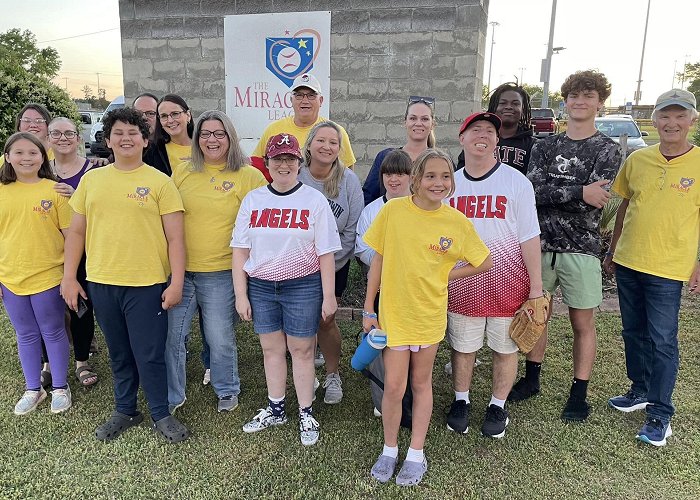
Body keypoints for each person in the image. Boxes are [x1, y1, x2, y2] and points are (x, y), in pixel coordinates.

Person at [362, 149, 492, 486]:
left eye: (445, 176)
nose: (438, 182)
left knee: (421, 384)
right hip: (394, 315)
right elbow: (377, 260)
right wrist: (368, 309)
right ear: (415, 179)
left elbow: (483, 262)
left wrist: (447, 273)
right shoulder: (393, 211)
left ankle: (415, 453)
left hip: (429, 316)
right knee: (394, 385)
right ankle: (390, 448)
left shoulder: (456, 221)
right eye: (430, 176)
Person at [61, 107, 190, 443]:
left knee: (149, 351)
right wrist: (69, 277)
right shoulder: (92, 180)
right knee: (118, 350)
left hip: (146, 284)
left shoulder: (160, 182)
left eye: (134, 133)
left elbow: (176, 237)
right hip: (102, 282)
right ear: (107, 139)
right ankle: (125, 409)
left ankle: (161, 413)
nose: (126, 138)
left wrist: (176, 282)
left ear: (145, 141)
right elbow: (76, 233)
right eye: (118, 132)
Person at [511, 70, 623, 423]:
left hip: (582, 248)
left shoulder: (607, 149)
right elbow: (532, 194)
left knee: (582, 322)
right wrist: (579, 191)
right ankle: (531, 379)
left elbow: (596, 200)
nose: (579, 101)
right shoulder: (545, 146)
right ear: (566, 100)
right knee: (536, 316)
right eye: (574, 95)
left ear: (599, 102)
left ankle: (579, 392)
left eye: (588, 95)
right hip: (540, 245)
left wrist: (572, 197)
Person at [232, 133, 341, 447]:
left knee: (303, 350)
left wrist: (329, 295)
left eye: (290, 158)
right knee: (271, 350)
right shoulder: (253, 200)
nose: (283, 164)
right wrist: (241, 294)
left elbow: (326, 252)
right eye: (277, 158)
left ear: (299, 163)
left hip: (302, 285)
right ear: (267, 163)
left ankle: (306, 411)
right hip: (263, 286)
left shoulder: (313, 200)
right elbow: (240, 249)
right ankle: (276, 406)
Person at [604, 88, 700, 446]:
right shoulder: (639, 160)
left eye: (680, 116)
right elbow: (625, 206)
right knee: (633, 331)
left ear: (692, 120)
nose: (671, 123)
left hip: (669, 267)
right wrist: (613, 250)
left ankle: (660, 413)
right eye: (665, 115)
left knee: (662, 341)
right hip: (630, 260)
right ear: (655, 120)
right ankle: (639, 389)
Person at [444, 112, 542, 439]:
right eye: (475, 129)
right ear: (462, 139)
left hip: (509, 283)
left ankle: (498, 405)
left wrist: (536, 289)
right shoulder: (450, 185)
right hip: (461, 285)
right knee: (463, 346)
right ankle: (461, 400)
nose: (482, 135)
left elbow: (529, 237)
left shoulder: (517, 182)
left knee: (505, 348)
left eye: (489, 130)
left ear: (497, 140)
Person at [167, 110, 267, 414]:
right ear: (197, 139)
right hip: (182, 272)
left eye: (219, 133)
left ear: (230, 138)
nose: (212, 140)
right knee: (173, 335)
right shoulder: (182, 172)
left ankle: (227, 388)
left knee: (219, 337)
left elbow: (263, 223)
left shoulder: (249, 175)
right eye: (206, 134)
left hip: (223, 272)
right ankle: (173, 394)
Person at [0, 132, 72, 414]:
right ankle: (33, 387)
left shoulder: (55, 191)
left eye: (33, 153)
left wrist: (68, 276)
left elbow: (70, 237)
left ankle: (60, 386)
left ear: (44, 157)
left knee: (53, 331)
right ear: (7, 157)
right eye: (19, 152)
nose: (26, 158)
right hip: (11, 278)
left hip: (48, 276)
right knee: (26, 334)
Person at [298, 121, 363, 404]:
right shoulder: (296, 174)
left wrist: (330, 265)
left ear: (340, 149)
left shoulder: (348, 181)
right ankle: (306, 372)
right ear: (310, 145)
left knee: (326, 319)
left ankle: (333, 374)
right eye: (321, 141)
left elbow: (351, 229)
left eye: (333, 143)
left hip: (334, 264)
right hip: (297, 265)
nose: (326, 147)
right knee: (301, 320)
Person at [43, 117, 98, 387]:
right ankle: (48, 362)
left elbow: (101, 208)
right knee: (49, 308)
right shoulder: (40, 171)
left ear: (78, 138)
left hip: (83, 249)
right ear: (48, 138)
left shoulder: (93, 170)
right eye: (56, 133)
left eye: (69, 133)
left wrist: (75, 193)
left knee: (81, 307)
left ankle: (82, 360)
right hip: (47, 252)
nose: (63, 138)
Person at [250, 73, 356, 180]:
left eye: (311, 95)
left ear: (321, 100)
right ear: (291, 100)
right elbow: (256, 167)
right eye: (299, 95)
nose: (305, 101)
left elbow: (347, 171)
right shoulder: (273, 129)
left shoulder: (336, 132)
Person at [362, 96, 436, 205]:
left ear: (432, 124)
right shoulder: (385, 157)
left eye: (424, 119)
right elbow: (369, 197)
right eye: (413, 118)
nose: (418, 123)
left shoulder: (440, 161)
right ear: (404, 122)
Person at [456, 82, 537, 175]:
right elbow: (461, 176)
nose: (509, 107)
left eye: (515, 104)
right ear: (493, 107)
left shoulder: (533, 145)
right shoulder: (479, 140)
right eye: (502, 103)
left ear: (523, 109)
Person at [355, 149, 412, 274]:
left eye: (400, 174)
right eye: (388, 174)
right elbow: (362, 249)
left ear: (411, 176)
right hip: (381, 280)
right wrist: (389, 262)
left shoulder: (422, 207)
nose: (393, 179)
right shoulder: (370, 211)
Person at [143, 94, 194, 176]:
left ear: (188, 115)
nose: (170, 120)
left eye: (175, 114)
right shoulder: (151, 152)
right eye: (164, 116)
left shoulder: (205, 147)